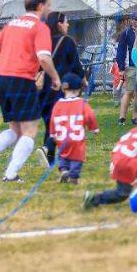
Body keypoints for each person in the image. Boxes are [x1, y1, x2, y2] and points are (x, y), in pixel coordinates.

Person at [0, 0, 61, 183]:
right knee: (30, 130)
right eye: (48, 5)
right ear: (40, 6)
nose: (49, 9)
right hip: (20, 80)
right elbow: (44, 58)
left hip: (1, 79)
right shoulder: (40, 28)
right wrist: (55, 77)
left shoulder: (11, 25)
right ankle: (11, 175)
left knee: (16, 130)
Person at [38, 11, 84, 164]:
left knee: (50, 123)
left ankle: (49, 159)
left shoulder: (44, 42)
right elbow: (76, 65)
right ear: (59, 24)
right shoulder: (67, 41)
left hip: (44, 89)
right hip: (61, 88)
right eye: (66, 22)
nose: (68, 24)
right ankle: (46, 148)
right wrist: (83, 79)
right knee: (62, 123)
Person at [48, 72, 99, 184]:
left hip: (62, 138)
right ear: (78, 90)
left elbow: (52, 119)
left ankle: (64, 170)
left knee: (62, 155)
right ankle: (74, 177)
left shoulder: (58, 104)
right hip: (76, 139)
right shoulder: (82, 103)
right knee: (77, 157)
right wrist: (94, 128)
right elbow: (89, 116)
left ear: (63, 89)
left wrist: (52, 134)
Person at [83, 126, 137, 210]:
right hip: (126, 163)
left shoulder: (135, 130)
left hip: (119, 158)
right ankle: (94, 198)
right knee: (122, 193)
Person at [115, 14, 137, 126]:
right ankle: (122, 118)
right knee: (129, 91)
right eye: (133, 19)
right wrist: (121, 67)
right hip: (131, 67)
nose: (135, 21)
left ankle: (135, 118)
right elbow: (121, 50)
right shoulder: (126, 33)